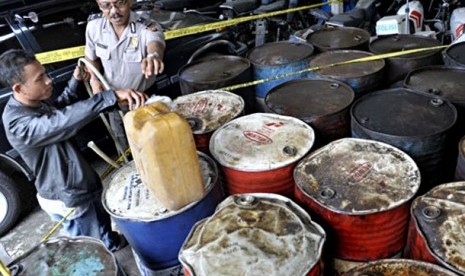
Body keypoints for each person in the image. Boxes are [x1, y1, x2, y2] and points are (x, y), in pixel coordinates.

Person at [0, 49, 147, 252]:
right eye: (40, 78)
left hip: (80, 181)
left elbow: (59, 110)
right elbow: (60, 122)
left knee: (102, 222)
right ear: (19, 88)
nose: (49, 80)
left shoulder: (34, 102)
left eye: (45, 73)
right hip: (66, 195)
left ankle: (112, 243)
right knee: (93, 252)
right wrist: (108, 97)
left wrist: (75, 81)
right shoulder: (18, 123)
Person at [85, 0, 166, 150]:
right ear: (99, 6)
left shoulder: (147, 26)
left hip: (145, 102)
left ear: (129, 2)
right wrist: (94, 79)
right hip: (115, 104)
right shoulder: (93, 28)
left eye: (119, 3)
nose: (114, 11)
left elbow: (155, 42)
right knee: (124, 148)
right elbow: (91, 59)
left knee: (155, 147)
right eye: (106, 5)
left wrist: (153, 55)